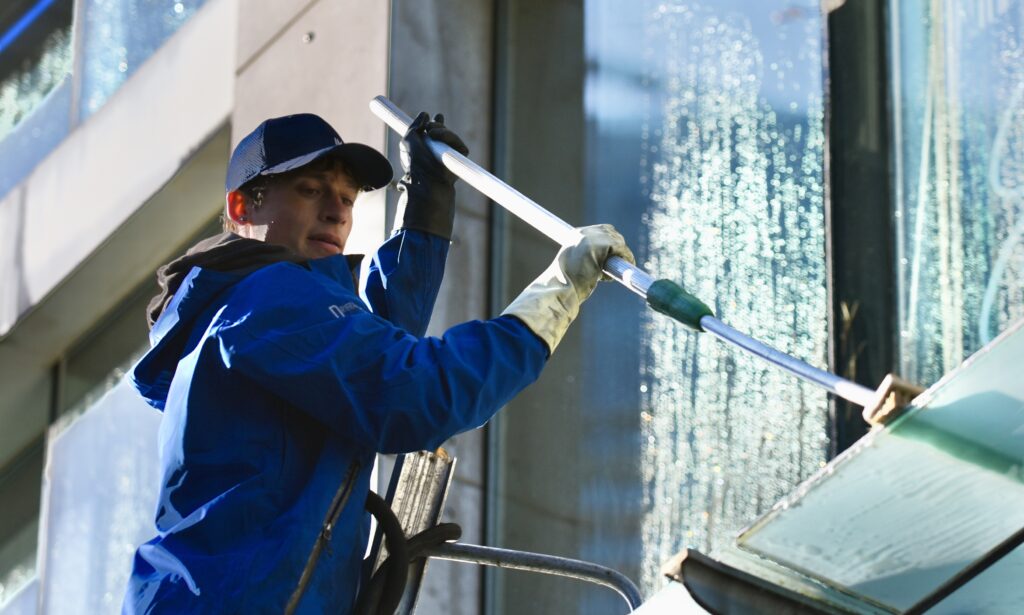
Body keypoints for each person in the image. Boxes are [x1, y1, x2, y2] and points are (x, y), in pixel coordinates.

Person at [123, 111, 634, 614]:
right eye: (310, 190)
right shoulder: (262, 300)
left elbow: (377, 340)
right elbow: (411, 396)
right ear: (242, 207)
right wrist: (557, 294)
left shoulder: (252, 312)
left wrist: (427, 201)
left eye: (347, 197)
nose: (337, 212)